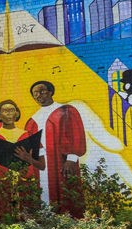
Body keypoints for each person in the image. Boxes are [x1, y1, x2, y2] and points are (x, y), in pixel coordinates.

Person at [24, 80, 86, 216]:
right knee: (43, 188)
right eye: (35, 94)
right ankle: (46, 216)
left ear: (50, 92)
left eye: (42, 91)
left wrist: (72, 158)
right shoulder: (33, 119)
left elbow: (75, 133)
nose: (38, 95)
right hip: (41, 162)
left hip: (61, 160)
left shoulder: (66, 110)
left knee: (66, 189)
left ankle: (69, 220)